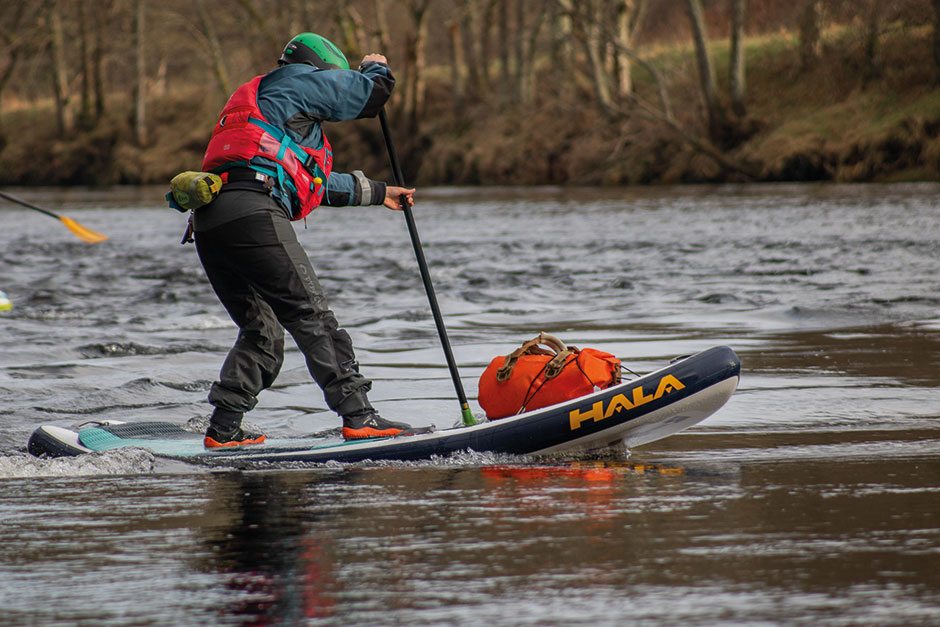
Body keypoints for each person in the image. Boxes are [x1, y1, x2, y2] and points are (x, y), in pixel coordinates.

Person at [194, 32, 425, 447]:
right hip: (253, 213)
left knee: (261, 331)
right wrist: (375, 67)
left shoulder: (266, 101)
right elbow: (370, 95)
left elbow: (310, 180)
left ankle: (223, 429)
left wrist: (377, 192)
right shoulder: (298, 79)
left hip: (212, 220)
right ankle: (360, 416)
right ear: (321, 68)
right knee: (312, 316)